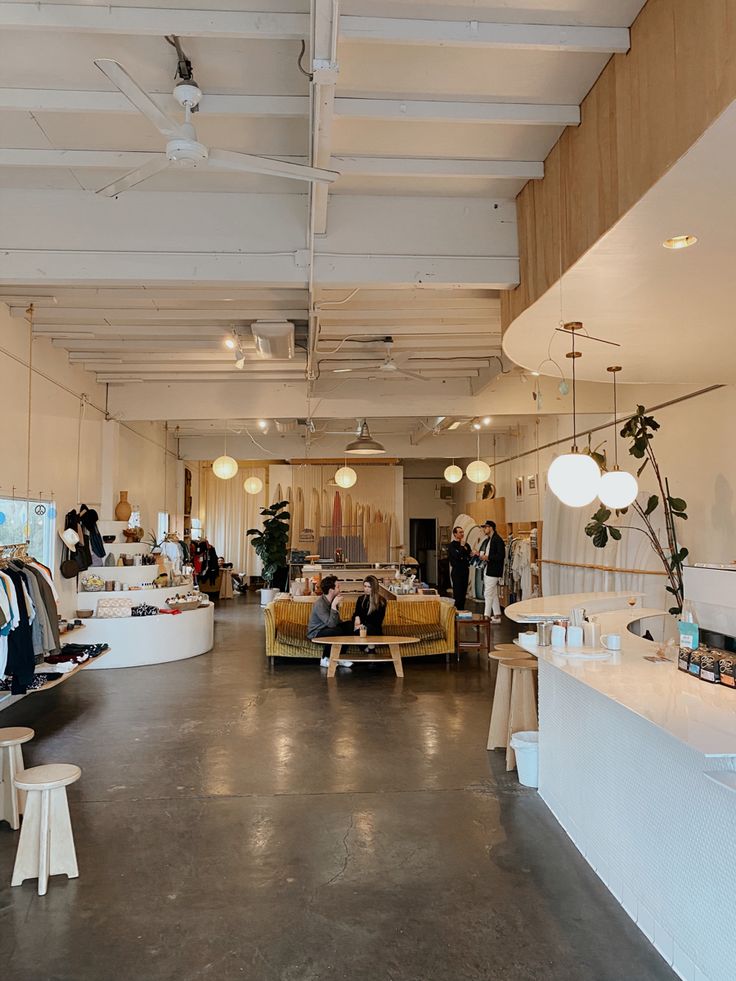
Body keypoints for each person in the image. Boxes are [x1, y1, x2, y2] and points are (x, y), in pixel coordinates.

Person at [306, 575, 354, 668]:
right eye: (338, 587)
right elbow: (331, 624)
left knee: (349, 625)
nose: (339, 589)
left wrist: (348, 625)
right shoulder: (320, 604)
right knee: (336, 631)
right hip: (316, 632)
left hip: (327, 628)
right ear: (331, 590)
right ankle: (324, 658)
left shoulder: (331, 600)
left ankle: (340, 657)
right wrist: (334, 606)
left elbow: (337, 622)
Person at [474, 520, 505, 623]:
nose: (484, 529)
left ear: (491, 527)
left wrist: (488, 557)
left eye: (485, 527)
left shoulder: (498, 540)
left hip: (493, 570)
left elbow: (501, 556)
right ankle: (497, 615)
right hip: (489, 569)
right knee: (493, 593)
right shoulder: (489, 540)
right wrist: (480, 555)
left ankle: (486, 617)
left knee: (487, 594)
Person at [353, 575, 387, 651]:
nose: (366, 589)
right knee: (348, 627)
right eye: (365, 586)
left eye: (369, 587)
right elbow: (356, 613)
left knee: (366, 629)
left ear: (374, 588)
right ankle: (369, 650)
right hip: (361, 627)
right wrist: (356, 618)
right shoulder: (360, 599)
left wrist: (362, 625)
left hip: (373, 628)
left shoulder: (381, 601)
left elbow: (377, 621)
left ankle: (369, 650)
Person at [448, 525, 472, 610]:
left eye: (463, 532)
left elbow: (468, 557)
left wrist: (473, 555)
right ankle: (456, 610)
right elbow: (457, 557)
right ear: (455, 534)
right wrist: (461, 547)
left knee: (463, 593)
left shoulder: (467, 545)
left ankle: (462, 610)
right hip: (457, 571)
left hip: (465, 570)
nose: (462, 534)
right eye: (460, 532)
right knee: (457, 593)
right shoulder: (452, 546)